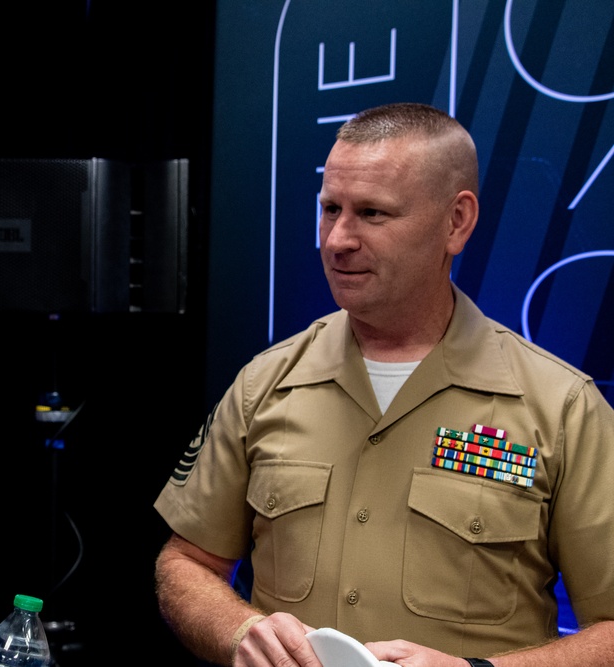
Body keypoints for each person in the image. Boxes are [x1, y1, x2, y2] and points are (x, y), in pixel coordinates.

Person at [153, 102, 614, 667]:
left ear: (456, 222)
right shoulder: (264, 384)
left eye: (372, 213)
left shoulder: (561, 408)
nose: (337, 239)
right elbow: (185, 563)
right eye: (330, 209)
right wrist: (237, 629)